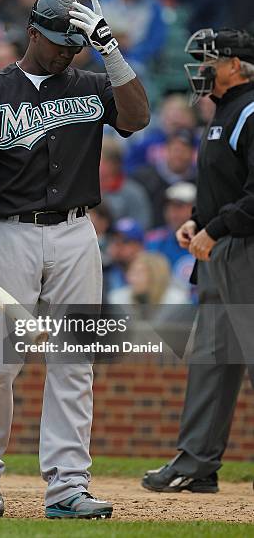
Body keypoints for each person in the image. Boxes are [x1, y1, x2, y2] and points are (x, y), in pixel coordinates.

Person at [0, 0, 149, 518]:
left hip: (75, 231)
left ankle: (67, 486)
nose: (68, 53)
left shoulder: (90, 82)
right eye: (61, 43)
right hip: (7, 231)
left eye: (77, 45)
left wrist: (110, 50)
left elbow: (138, 116)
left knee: (73, 360)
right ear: (33, 32)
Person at [142, 27, 254, 493]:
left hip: (246, 250)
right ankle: (196, 464)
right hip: (218, 251)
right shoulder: (224, 113)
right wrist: (197, 221)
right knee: (211, 357)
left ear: (235, 64)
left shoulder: (250, 109)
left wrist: (218, 227)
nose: (201, 68)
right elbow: (223, 185)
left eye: (209, 59)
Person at [133, 128, 196, 227]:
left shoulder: (199, 179)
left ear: (192, 153)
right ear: (166, 150)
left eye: (184, 150)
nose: (179, 155)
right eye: (175, 149)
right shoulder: (144, 178)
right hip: (152, 235)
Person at [145, 182, 196, 291]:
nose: (172, 212)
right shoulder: (154, 240)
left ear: (195, 208)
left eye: (179, 206)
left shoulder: (207, 240)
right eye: (168, 206)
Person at [100, 136, 152, 230]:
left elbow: (142, 226)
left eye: (99, 160)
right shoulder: (88, 190)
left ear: (112, 164)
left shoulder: (134, 193)